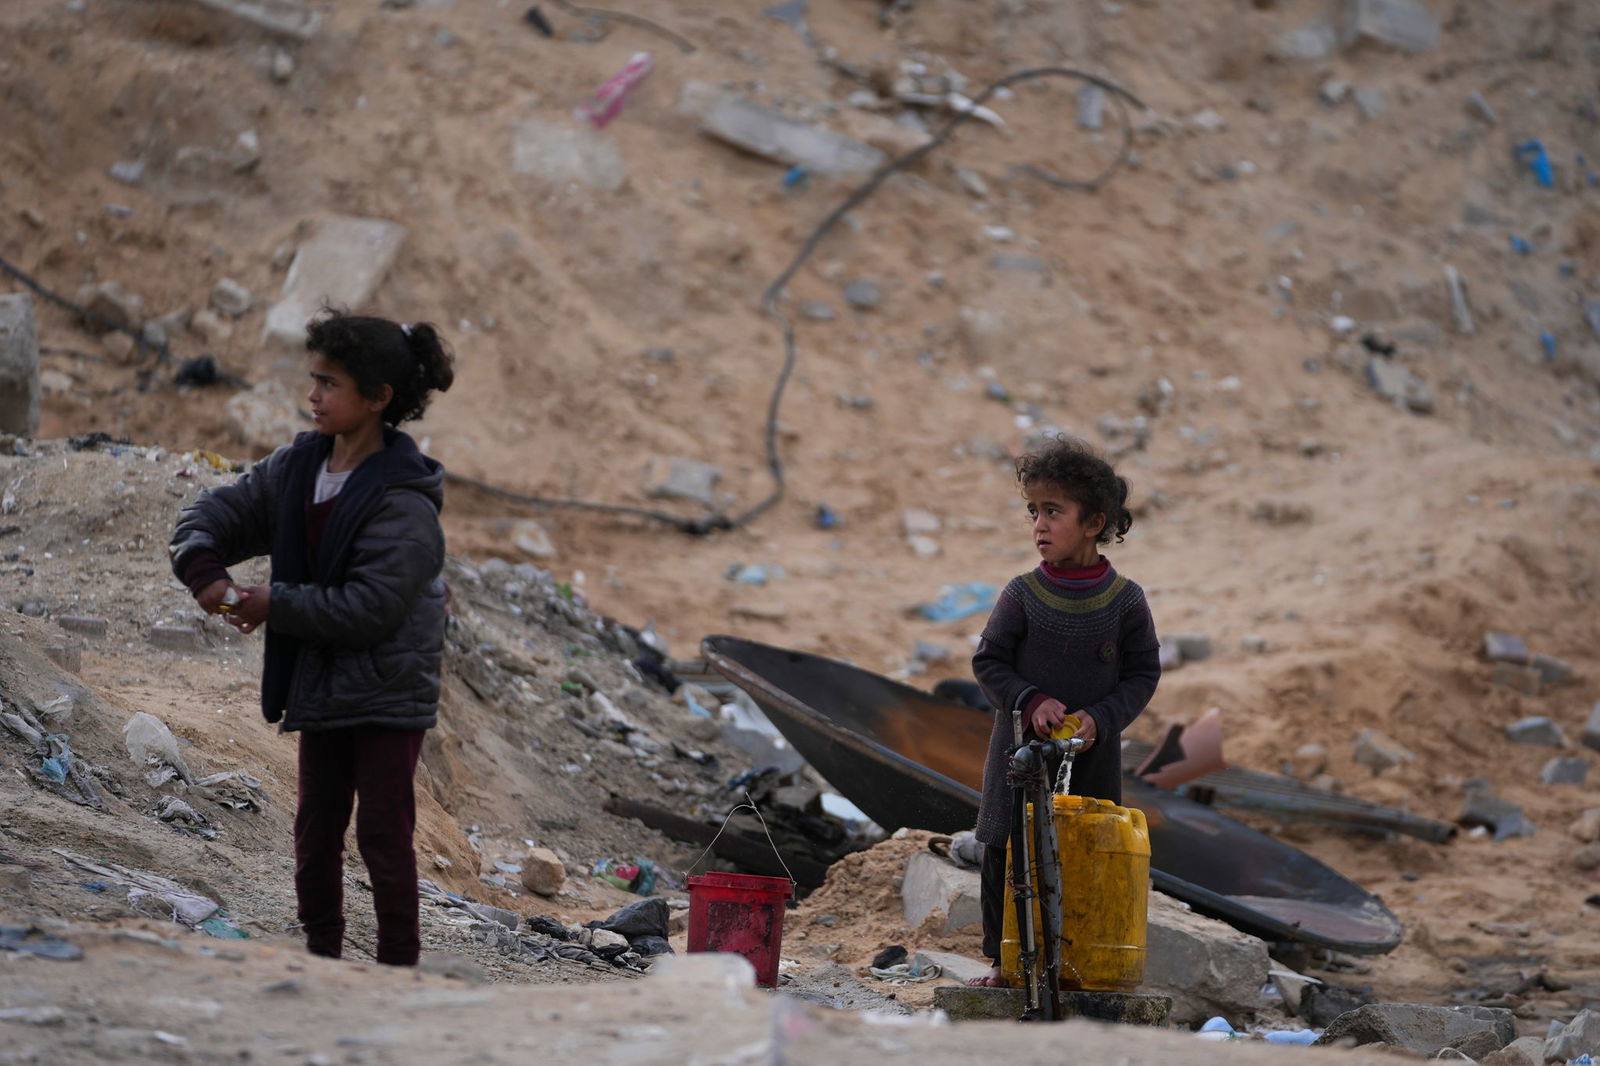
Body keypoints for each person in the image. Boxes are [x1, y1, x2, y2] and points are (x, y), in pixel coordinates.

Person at [169, 310, 454, 967]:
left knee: (384, 834)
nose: (314, 396)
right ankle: (322, 959)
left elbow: (371, 609)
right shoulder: (300, 467)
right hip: (322, 680)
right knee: (316, 829)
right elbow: (219, 510)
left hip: (387, 689)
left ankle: (398, 970)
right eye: (314, 380)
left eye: (331, 384)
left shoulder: (404, 503)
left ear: (379, 399)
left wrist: (274, 603)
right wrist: (206, 569)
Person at [965, 435, 1161, 987]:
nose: (1039, 525)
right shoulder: (1023, 593)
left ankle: (1072, 965)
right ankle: (1002, 963)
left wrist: (1102, 717)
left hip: (1088, 754)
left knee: (1084, 851)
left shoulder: (1126, 601)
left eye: (1053, 511)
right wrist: (1030, 700)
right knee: (1005, 848)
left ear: (1095, 522)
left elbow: (1143, 673)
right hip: (1020, 753)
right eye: (1033, 512)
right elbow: (990, 661)